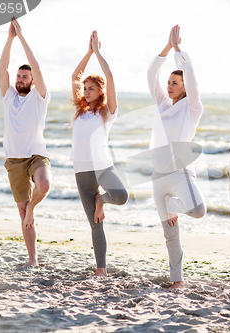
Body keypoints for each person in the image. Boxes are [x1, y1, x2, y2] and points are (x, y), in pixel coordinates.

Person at [147, 25, 207, 289]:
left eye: (175, 83)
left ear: (185, 87)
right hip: (158, 175)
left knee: (198, 209)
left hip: (181, 172)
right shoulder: (162, 105)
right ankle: (177, 281)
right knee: (170, 235)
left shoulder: (192, 109)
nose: (169, 86)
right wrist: (166, 48)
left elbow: (191, 74)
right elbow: (151, 74)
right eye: (169, 83)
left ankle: (174, 205)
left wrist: (179, 51)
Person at [71, 31, 128, 277]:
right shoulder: (80, 112)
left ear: (100, 91)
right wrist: (89, 52)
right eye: (85, 88)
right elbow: (75, 76)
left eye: (91, 88)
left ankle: (100, 201)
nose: (86, 91)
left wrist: (99, 53)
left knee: (121, 195)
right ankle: (101, 270)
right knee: (95, 223)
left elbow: (111, 77)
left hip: (103, 166)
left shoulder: (107, 113)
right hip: (81, 170)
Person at [0, 18, 52, 267]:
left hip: (35, 156)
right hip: (14, 161)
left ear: (32, 81)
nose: (20, 79)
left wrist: (21, 37)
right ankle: (33, 260)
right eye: (19, 76)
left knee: (44, 184)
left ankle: (32, 209)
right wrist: (9, 39)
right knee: (22, 212)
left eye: (25, 76)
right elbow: (2, 68)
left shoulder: (39, 98)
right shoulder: (9, 96)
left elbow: (38, 68)